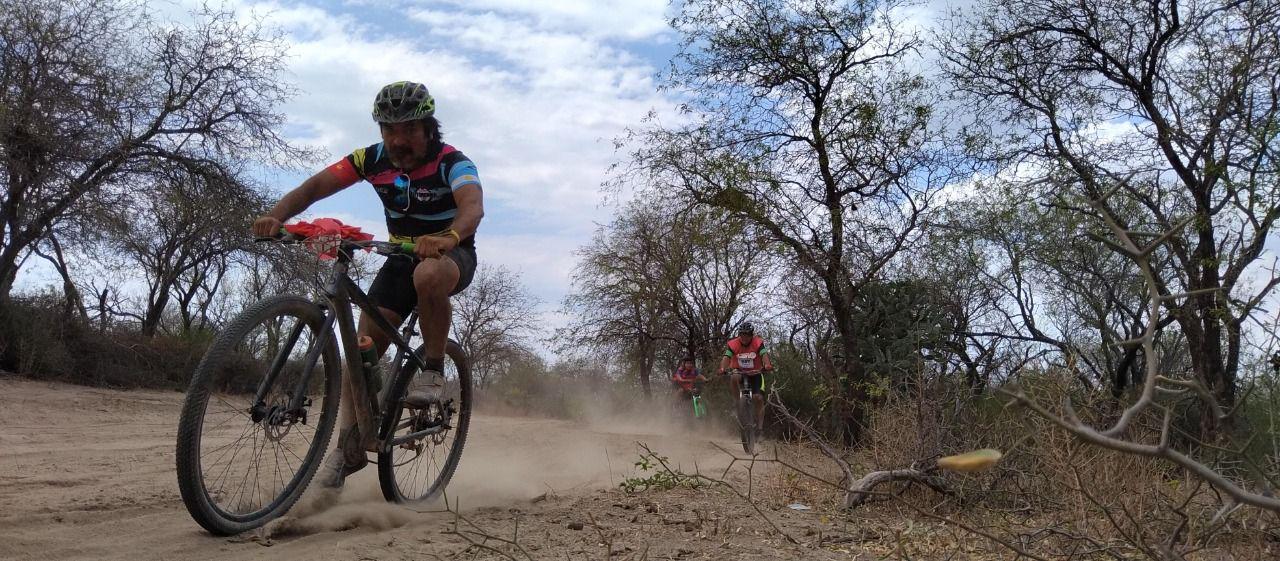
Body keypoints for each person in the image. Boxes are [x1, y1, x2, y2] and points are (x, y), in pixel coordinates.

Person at [251, 81, 483, 487]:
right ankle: (348, 448)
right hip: (398, 257)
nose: (398, 139)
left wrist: (447, 237)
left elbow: (472, 208)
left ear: (428, 128)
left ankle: (432, 370)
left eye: (408, 129)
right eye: (389, 130)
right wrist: (276, 215)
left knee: (428, 274)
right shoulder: (370, 159)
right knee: (362, 354)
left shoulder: (453, 163)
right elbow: (314, 188)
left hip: (450, 254)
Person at [717, 322, 773, 433]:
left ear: (751, 335)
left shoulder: (757, 342)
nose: (744, 337)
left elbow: (764, 354)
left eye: (747, 335)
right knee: (734, 376)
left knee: (758, 398)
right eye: (742, 334)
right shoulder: (733, 344)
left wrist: (767, 365)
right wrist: (722, 368)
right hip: (740, 371)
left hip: (755, 373)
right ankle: (737, 402)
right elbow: (727, 356)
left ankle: (760, 428)